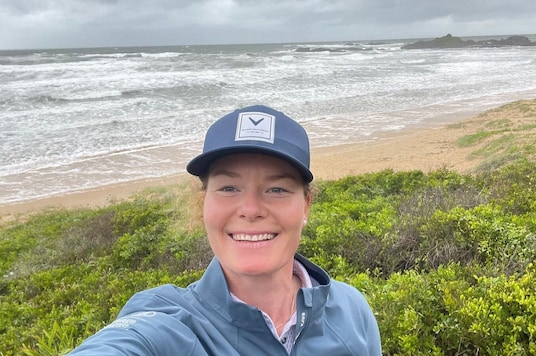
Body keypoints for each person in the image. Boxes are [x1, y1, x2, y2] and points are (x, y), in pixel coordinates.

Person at [68, 105, 382, 355]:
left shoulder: (351, 309)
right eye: (229, 187)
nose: (251, 209)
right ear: (203, 203)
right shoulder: (171, 323)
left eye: (277, 189)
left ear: (306, 207)